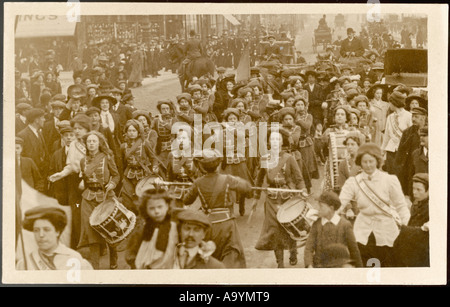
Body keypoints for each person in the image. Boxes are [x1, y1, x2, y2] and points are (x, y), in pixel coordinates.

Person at [338, 143, 411, 267]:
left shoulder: (389, 180)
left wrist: (406, 227)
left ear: (377, 161)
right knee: (363, 267)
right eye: (364, 162)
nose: (368, 165)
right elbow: (340, 202)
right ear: (359, 163)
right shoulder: (354, 182)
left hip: (387, 231)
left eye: (371, 161)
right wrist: (329, 213)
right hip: (363, 231)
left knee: (386, 268)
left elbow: (401, 206)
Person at [183, 148, 253, 268]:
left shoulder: (198, 183)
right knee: (231, 255)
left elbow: (186, 200)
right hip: (226, 225)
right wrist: (236, 181)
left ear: (202, 167)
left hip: (208, 226)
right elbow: (247, 187)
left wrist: (189, 189)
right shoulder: (227, 179)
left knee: (210, 258)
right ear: (217, 165)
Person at [253, 129, 307, 268]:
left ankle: (293, 251)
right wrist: (256, 197)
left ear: (282, 142)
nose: (275, 142)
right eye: (273, 139)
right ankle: (280, 263)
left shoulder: (289, 158)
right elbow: (259, 179)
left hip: (287, 197)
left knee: (289, 228)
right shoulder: (264, 158)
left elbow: (298, 178)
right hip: (271, 199)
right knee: (275, 230)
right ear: (269, 142)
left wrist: (303, 190)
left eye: (278, 139)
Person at [78, 131, 120, 269]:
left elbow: (116, 175)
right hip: (88, 198)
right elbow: (84, 178)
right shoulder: (83, 161)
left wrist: (112, 184)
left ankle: (113, 255)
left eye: (94, 141)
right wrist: (82, 183)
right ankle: (95, 267)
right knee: (91, 230)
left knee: (109, 228)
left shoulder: (106, 157)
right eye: (89, 141)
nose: (91, 143)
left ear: (99, 143)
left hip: (105, 197)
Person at [16, 206, 93, 270]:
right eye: (36, 230)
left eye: (46, 230)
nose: (41, 235)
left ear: (57, 232)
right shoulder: (25, 263)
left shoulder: (74, 258)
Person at [304, 191, 363, 268]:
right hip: (319, 267)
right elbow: (308, 248)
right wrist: (309, 265)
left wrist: (360, 271)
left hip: (338, 268)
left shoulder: (345, 225)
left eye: (321, 206)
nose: (318, 208)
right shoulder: (317, 224)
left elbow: (354, 251)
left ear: (331, 208)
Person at [125, 187, 179, 269]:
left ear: (167, 206)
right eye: (152, 208)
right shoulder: (142, 228)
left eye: (160, 207)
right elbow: (131, 252)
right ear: (145, 209)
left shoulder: (174, 226)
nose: (157, 211)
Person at [120, 119, 163, 214]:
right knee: (127, 200)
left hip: (143, 175)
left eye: (134, 131)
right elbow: (122, 163)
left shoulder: (145, 143)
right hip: (129, 175)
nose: (131, 133)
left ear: (138, 132)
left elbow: (153, 158)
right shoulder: (123, 146)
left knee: (142, 199)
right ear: (126, 132)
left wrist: (155, 167)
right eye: (129, 131)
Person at [393, 173, 429, 267]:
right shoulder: (417, 202)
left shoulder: (431, 207)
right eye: (413, 188)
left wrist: (403, 228)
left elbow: (424, 232)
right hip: (411, 239)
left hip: (421, 248)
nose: (414, 192)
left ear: (428, 191)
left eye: (418, 189)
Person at [395, 107, 427, 196]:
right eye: (412, 116)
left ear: (423, 117)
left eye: (416, 117)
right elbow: (400, 152)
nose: (413, 119)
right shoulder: (407, 132)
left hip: (423, 166)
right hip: (409, 167)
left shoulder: (430, 131)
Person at [17, 108, 48, 193]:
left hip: (40, 177)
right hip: (30, 179)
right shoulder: (22, 135)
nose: (44, 120)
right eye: (43, 118)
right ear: (36, 120)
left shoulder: (39, 133)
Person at [381, 91, 412, 175]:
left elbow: (411, 135)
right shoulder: (390, 117)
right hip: (391, 151)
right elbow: (386, 136)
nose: (389, 105)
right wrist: (382, 151)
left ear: (394, 103)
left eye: (390, 102)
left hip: (403, 152)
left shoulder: (408, 116)